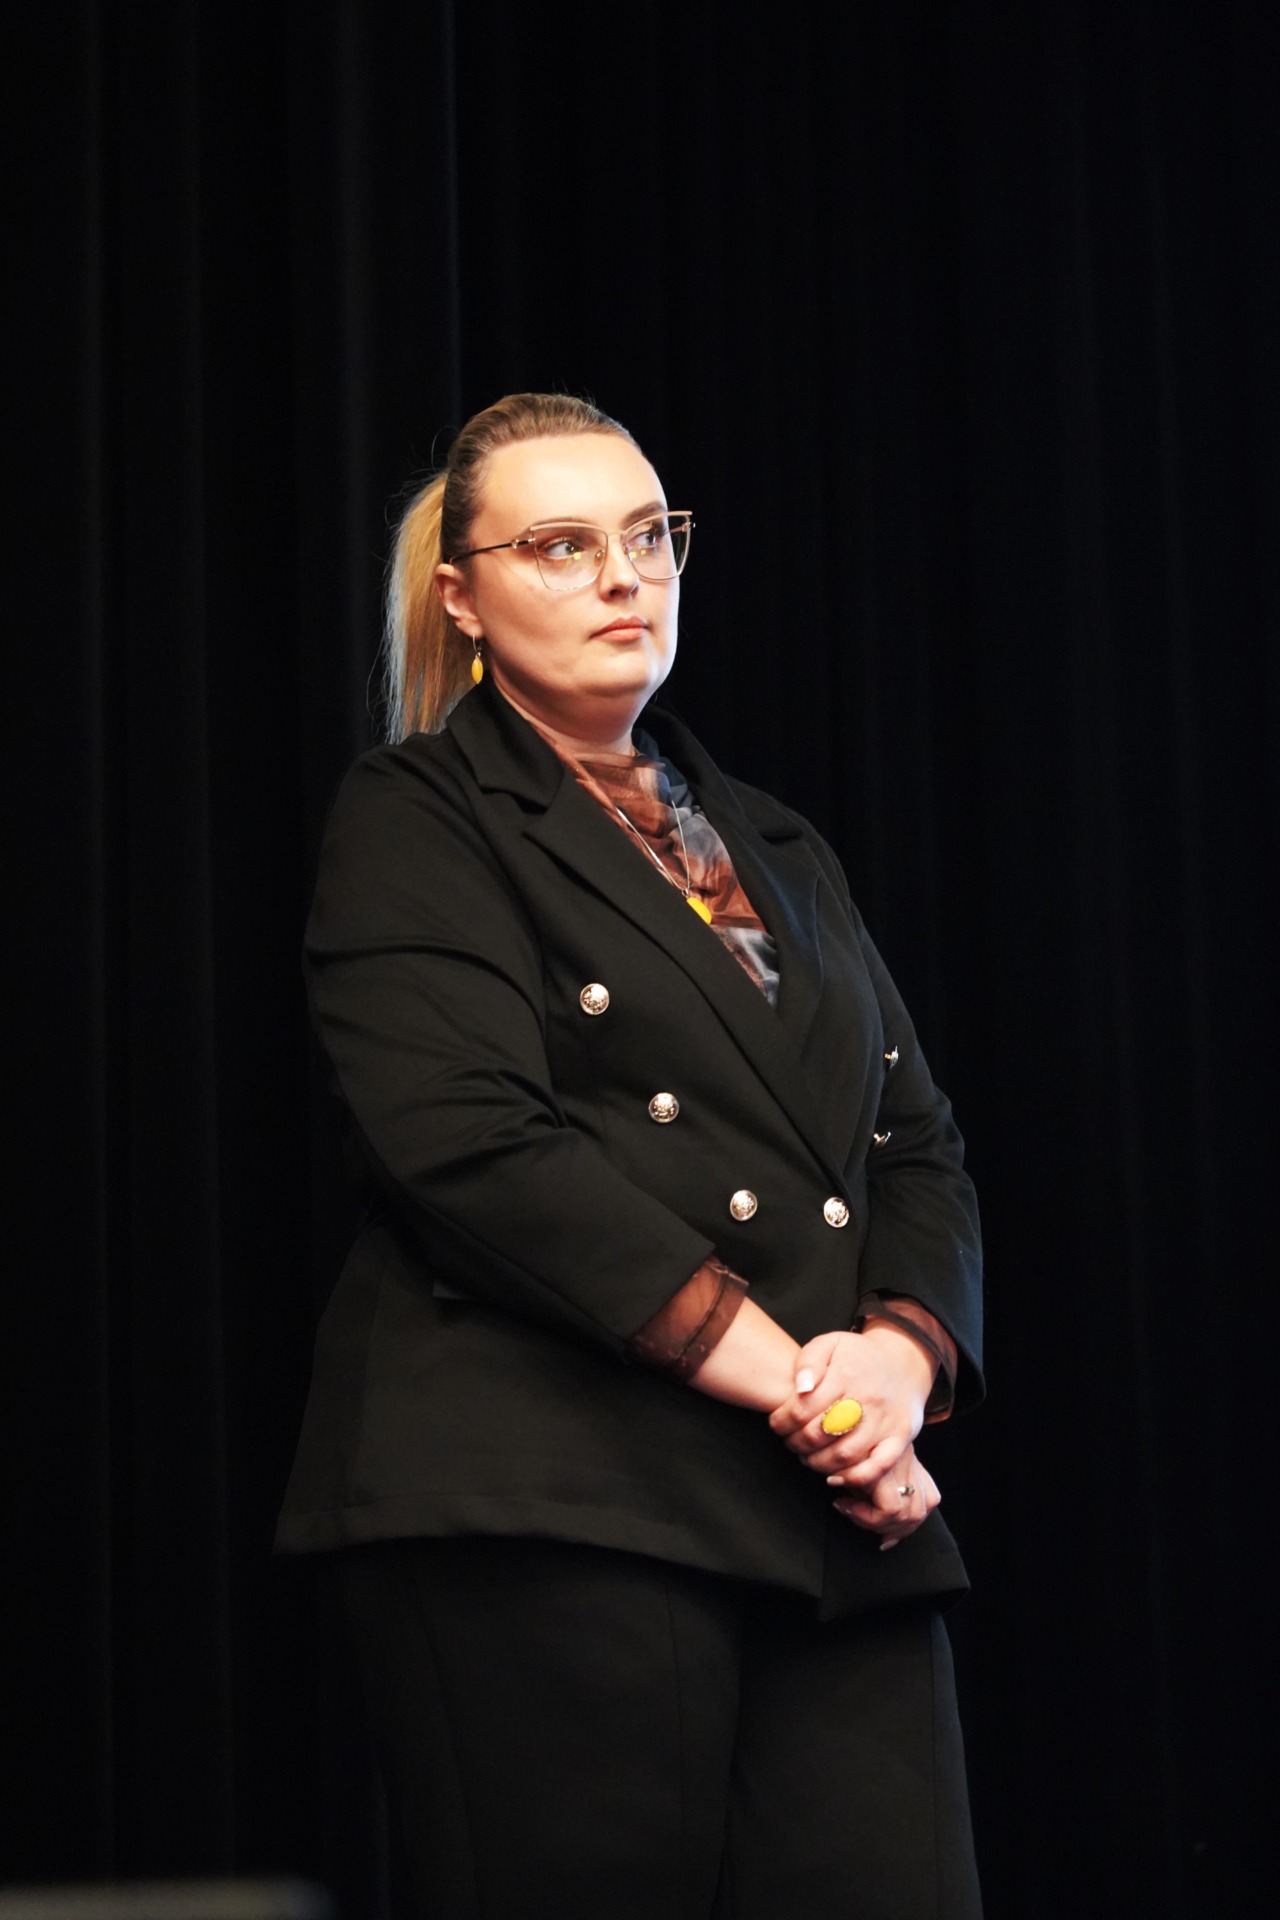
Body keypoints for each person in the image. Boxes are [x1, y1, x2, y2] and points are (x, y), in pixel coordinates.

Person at [278, 392, 984, 1919]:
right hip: (557, 1493)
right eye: (560, 544)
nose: (622, 575)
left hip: (824, 1511)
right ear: (461, 598)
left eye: (650, 537)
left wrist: (897, 1363)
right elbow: (471, 1152)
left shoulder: (774, 845)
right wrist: (809, 1389)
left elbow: (916, 1144)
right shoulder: (418, 815)